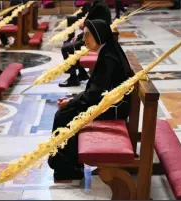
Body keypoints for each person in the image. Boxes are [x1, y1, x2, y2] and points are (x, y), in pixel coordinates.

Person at [48, 19, 132, 181]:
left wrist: (71, 102)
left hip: (114, 108)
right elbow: (94, 91)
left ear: (99, 35)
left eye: (87, 35)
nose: (84, 39)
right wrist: (73, 99)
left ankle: (66, 168)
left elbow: (94, 94)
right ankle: (69, 163)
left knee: (64, 115)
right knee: (67, 112)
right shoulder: (108, 50)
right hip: (111, 102)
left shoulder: (108, 57)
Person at [59, 0, 112, 87]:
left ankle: (73, 79)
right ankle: (82, 74)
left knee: (65, 49)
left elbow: (88, 26)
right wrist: (80, 35)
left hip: (95, 40)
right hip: (95, 37)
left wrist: (81, 32)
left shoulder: (98, 7)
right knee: (73, 46)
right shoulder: (98, 5)